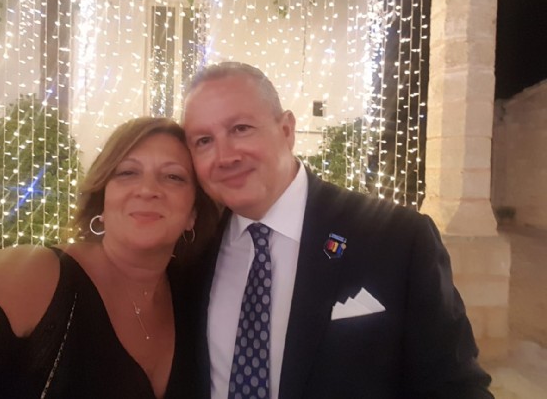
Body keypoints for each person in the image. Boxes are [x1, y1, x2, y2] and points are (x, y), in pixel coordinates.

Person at [182, 61, 494, 399]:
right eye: (203, 141)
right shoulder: (192, 250)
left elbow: (456, 387)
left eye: (241, 128)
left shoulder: (397, 239)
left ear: (286, 130)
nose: (225, 156)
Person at [0, 117, 218, 399]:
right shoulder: (37, 275)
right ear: (102, 201)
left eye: (173, 177)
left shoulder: (195, 296)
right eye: (127, 172)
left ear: (193, 214)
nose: (148, 190)